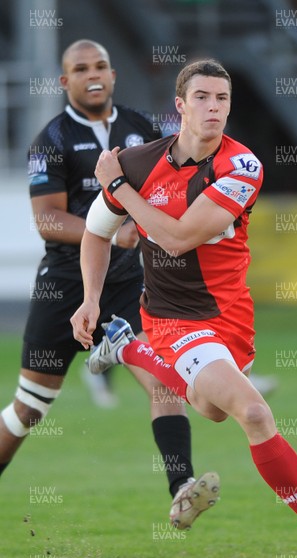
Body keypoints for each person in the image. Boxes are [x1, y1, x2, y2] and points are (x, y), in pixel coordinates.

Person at [71, 58, 297, 558]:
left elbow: (177, 236)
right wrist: (89, 298)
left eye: (222, 100)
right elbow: (96, 232)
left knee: (212, 408)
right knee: (254, 413)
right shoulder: (141, 163)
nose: (213, 108)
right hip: (173, 319)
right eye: (202, 98)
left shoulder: (242, 167)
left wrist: (119, 188)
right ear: (180, 105)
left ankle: (125, 346)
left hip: (230, 319)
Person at [0, 39, 219, 531]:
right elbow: (48, 221)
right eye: (80, 68)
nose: (92, 74)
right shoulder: (51, 140)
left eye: (100, 65)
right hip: (63, 286)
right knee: (29, 409)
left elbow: (181, 174)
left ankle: (181, 489)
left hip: (127, 285)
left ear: (113, 74)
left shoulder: (143, 128)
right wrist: (114, 234)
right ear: (65, 82)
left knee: (164, 379)